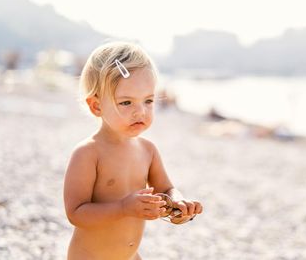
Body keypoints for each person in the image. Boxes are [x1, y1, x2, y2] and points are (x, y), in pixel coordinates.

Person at [63, 41, 203, 260]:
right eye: (126, 102)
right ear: (97, 106)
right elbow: (76, 213)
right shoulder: (88, 153)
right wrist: (123, 208)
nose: (140, 112)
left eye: (148, 101)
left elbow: (167, 189)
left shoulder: (148, 151)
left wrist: (178, 204)